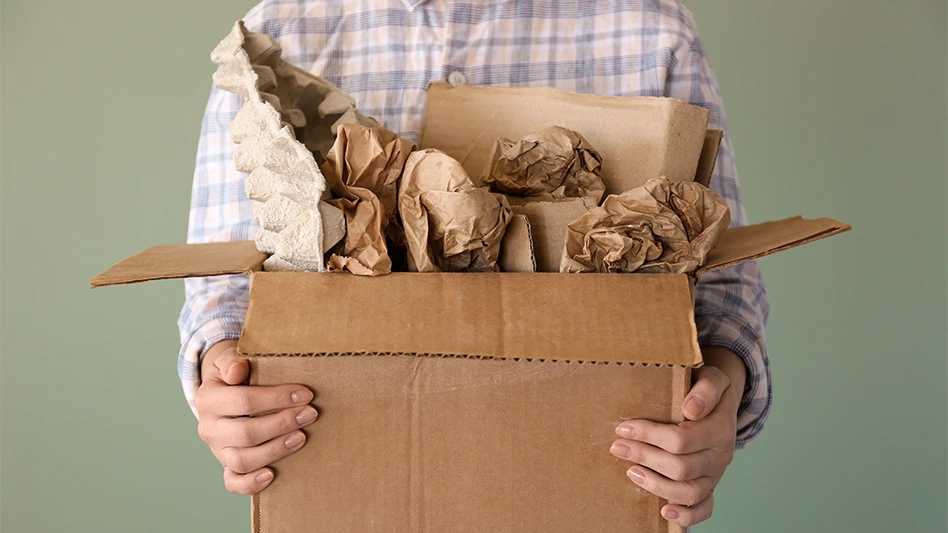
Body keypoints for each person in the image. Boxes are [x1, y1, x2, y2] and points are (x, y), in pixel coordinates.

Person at [181, 0, 770, 528]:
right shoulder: (275, 35)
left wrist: (718, 395)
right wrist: (223, 379)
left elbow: (720, 285)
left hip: (587, 485)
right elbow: (225, 295)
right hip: (343, 477)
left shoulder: (651, 30)